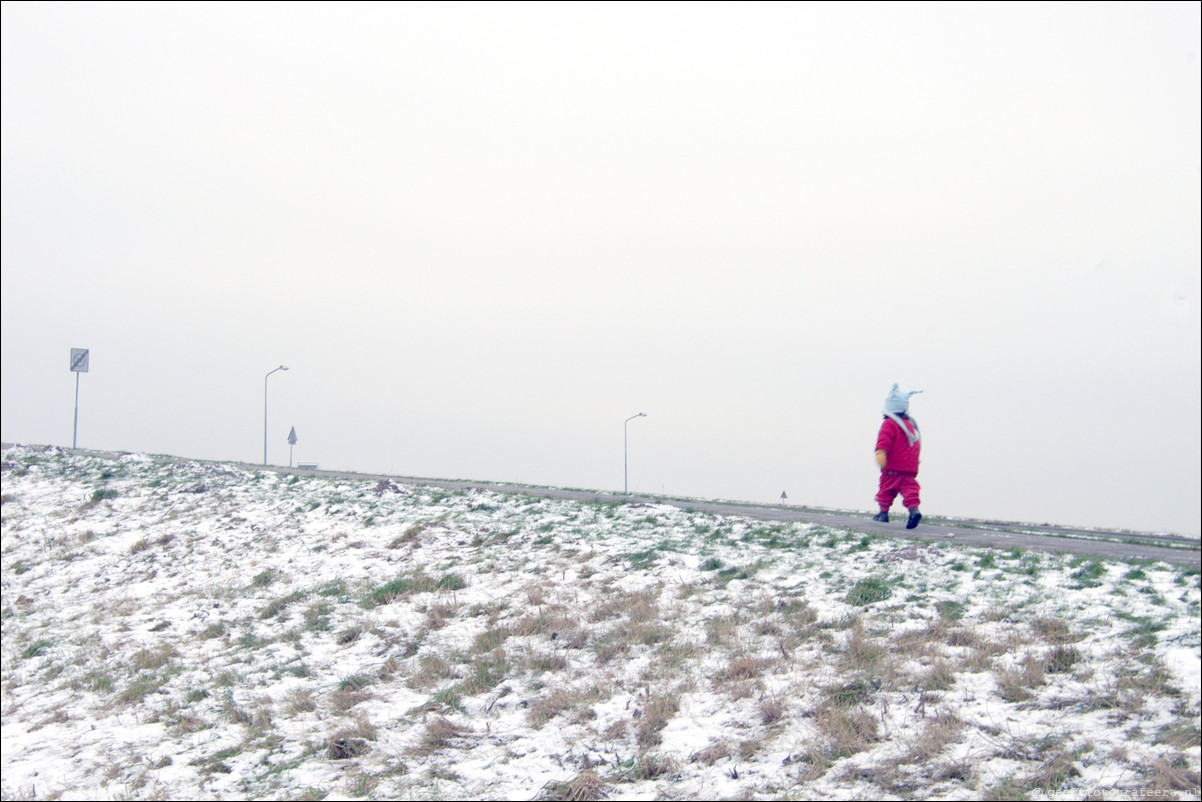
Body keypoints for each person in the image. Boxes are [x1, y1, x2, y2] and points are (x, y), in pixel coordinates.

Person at [872, 383, 923, 529]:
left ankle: (883, 513)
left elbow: (884, 441)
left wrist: (881, 453)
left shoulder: (889, 424)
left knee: (886, 489)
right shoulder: (910, 424)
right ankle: (914, 510)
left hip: (893, 467)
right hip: (910, 468)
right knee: (910, 491)